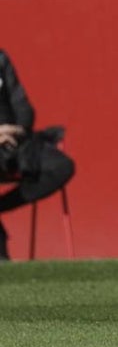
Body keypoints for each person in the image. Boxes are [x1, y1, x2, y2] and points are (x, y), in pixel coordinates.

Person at [0, 49, 75, 261]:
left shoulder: (1, 58)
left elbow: (22, 106)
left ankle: (2, 206)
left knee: (62, 166)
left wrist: (16, 129)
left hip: (14, 141)